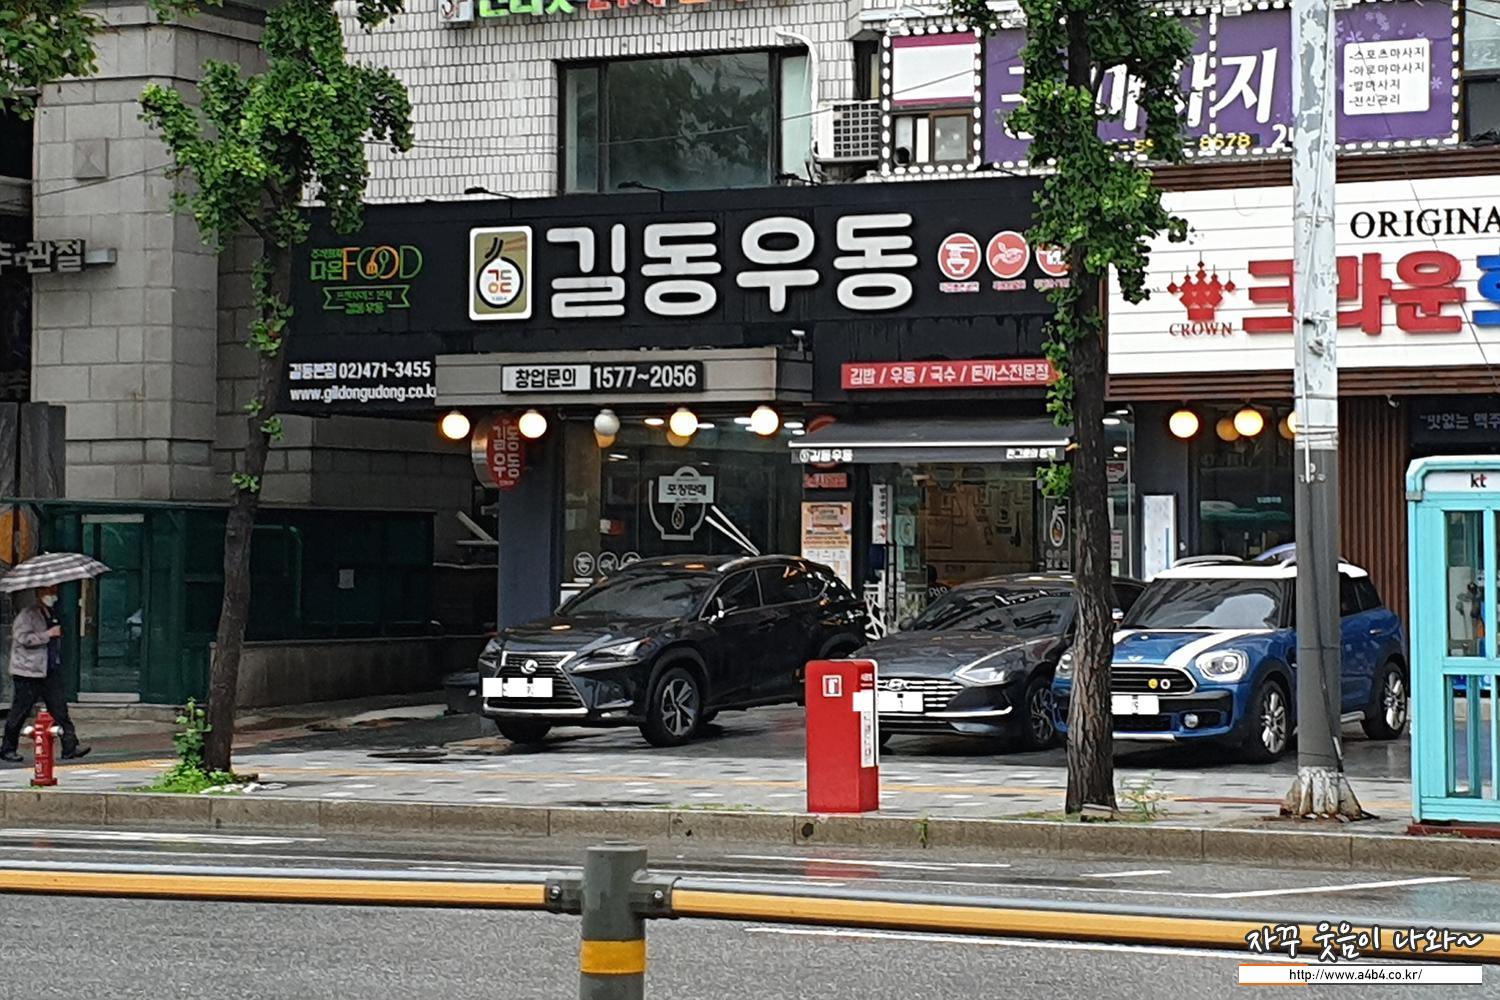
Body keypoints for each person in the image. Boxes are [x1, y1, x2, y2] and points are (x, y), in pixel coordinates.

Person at [1, 585, 89, 763]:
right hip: (28, 671)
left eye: (54, 592)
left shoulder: (50, 613)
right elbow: (22, 638)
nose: (52, 596)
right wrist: (47, 634)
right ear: (39, 593)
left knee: (59, 708)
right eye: (48, 592)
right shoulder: (27, 614)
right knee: (20, 711)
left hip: (48, 669)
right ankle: (7, 748)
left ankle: (70, 746)